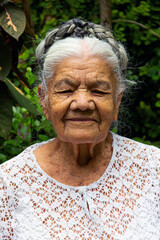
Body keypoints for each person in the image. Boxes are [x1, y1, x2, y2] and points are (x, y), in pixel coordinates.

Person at [0, 18, 159, 240]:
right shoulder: (8, 184)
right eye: (66, 90)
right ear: (44, 100)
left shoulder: (154, 170)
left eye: (99, 91)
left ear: (117, 101)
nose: (82, 103)